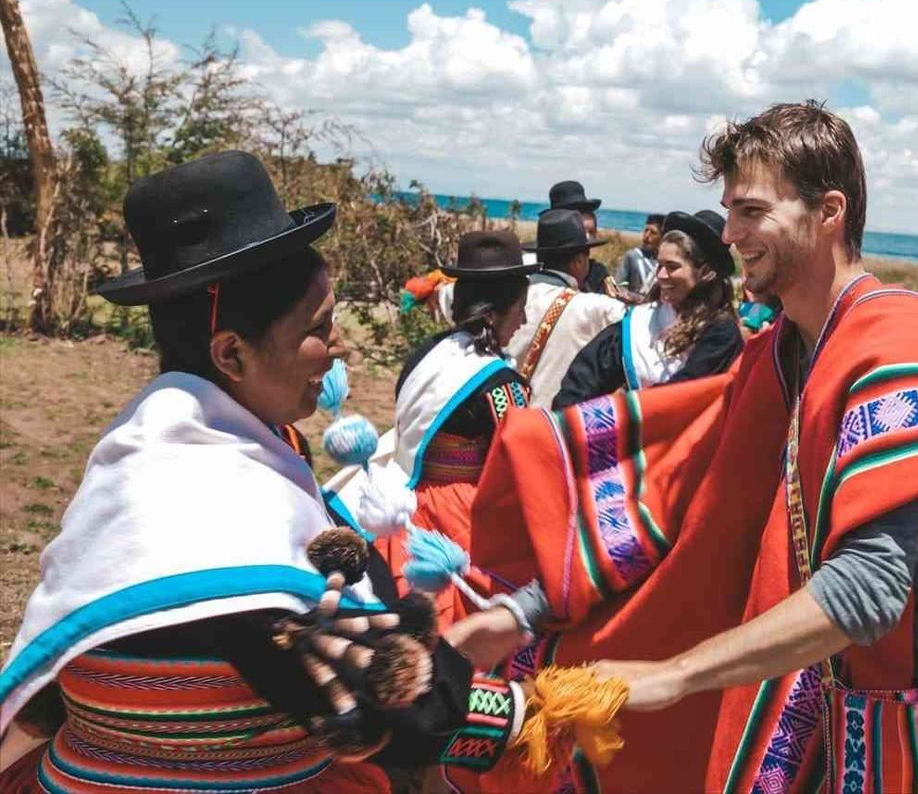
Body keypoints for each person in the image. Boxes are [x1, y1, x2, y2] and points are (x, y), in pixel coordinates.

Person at [468, 102, 918, 792]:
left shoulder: (900, 349)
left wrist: (674, 675)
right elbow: (678, 504)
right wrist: (516, 616)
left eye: (751, 211)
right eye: (728, 210)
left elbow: (869, 590)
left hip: (912, 747)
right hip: (821, 729)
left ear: (828, 211)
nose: (729, 233)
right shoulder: (781, 357)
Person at [0, 153, 532, 792]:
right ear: (231, 352)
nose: (339, 349)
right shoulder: (232, 508)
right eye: (319, 329)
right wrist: (509, 681)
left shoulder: (136, 450)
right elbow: (405, 716)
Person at [380, 230, 535, 627]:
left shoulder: (428, 355)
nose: (525, 320)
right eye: (521, 308)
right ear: (492, 313)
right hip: (461, 516)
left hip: (407, 504)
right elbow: (514, 465)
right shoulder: (501, 385)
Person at [554, 209, 742, 406]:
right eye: (659, 265)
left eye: (672, 267)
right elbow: (586, 375)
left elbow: (685, 393)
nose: (660, 275)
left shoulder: (721, 333)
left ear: (704, 272)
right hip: (636, 430)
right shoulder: (642, 321)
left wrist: (621, 409)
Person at [504, 209, 626, 409]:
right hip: (553, 428)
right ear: (579, 261)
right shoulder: (595, 308)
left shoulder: (507, 297)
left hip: (506, 422)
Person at [546, 180, 611, 294]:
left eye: (591, 232)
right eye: (581, 232)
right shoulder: (540, 276)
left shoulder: (597, 274)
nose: (587, 239)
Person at [613, 213, 665, 298]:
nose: (647, 235)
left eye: (653, 232)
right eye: (646, 230)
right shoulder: (632, 256)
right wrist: (635, 298)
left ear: (662, 237)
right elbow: (618, 286)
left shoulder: (664, 263)